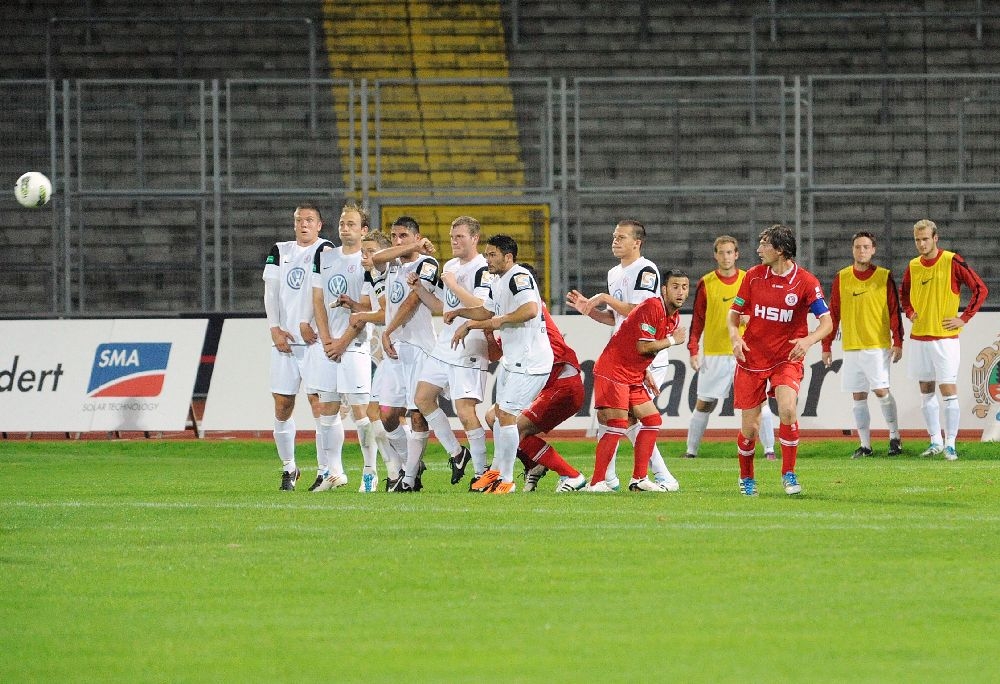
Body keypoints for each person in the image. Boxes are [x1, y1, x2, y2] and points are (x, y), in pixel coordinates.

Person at [565, 219, 679, 491]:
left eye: (622, 237)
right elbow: (615, 318)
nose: (615, 241)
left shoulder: (645, 270)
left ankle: (638, 477)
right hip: (624, 355)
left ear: (637, 242)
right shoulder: (614, 272)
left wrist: (605, 297)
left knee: (629, 418)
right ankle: (620, 478)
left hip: (648, 354)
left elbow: (640, 313)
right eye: (614, 236)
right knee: (621, 418)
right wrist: (589, 309)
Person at [728, 223, 833, 497]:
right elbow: (733, 314)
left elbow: (827, 322)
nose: (759, 249)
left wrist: (808, 340)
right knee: (750, 428)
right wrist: (735, 337)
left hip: (786, 358)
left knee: (787, 409)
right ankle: (747, 476)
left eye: (764, 244)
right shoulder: (753, 276)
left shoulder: (806, 282)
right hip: (752, 358)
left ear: (781, 250)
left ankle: (788, 473)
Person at [449, 235, 553, 494]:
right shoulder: (498, 280)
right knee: (498, 416)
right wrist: (463, 316)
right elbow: (487, 312)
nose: (487, 259)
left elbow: (530, 309)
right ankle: (496, 472)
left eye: (493, 254)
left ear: (508, 257)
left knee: (506, 416)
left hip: (530, 361)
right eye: (486, 254)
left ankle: (506, 480)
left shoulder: (519, 277)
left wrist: (498, 321)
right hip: (513, 360)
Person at [487, 264, 589, 493]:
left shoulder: (532, 315)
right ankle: (533, 466)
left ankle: (572, 476)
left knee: (515, 427)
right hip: (549, 384)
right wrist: (487, 329)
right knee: (494, 418)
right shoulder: (516, 320)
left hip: (562, 383)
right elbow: (495, 353)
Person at [302, 201, 379, 493]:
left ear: (364, 230)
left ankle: (369, 472)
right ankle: (333, 472)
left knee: (360, 412)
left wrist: (342, 342)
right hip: (329, 346)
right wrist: (326, 340)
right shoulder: (326, 257)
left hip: (355, 345)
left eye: (351, 224)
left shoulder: (368, 261)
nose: (345, 229)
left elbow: (366, 307)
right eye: (342, 224)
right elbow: (318, 300)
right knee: (327, 410)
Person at [589, 270, 690, 492]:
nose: (680, 292)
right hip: (613, 370)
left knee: (652, 420)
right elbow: (643, 346)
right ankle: (596, 482)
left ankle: (639, 479)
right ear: (664, 290)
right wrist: (673, 340)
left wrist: (645, 372)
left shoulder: (673, 316)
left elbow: (636, 345)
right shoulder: (653, 307)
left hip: (633, 374)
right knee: (616, 425)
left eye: (684, 287)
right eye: (675, 286)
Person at [409, 217, 492, 486]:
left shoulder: (483, 268)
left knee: (465, 411)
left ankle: (481, 473)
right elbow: (443, 306)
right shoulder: (451, 266)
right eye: (452, 236)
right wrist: (419, 289)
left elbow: (481, 306)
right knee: (422, 398)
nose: (454, 241)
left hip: (470, 343)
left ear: (475, 238)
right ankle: (457, 454)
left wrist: (454, 284)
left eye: (460, 236)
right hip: (446, 344)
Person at [900, 219, 989, 460]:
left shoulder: (952, 261)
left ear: (935, 238)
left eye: (925, 239)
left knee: (948, 390)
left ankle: (951, 443)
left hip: (945, 339)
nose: (921, 244)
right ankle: (935, 442)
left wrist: (964, 318)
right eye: (917, 240)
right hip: (919, 338)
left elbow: (980, 289)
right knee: (926, 391)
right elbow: (904, 295)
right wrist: (909, 312)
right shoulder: (913, 265)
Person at [685, 235, 777, 461]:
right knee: (704, 403)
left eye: (729, 252)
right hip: (715, 353)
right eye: (721, 252)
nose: (725, 257)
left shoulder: (750, 279)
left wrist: (750, 317)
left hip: (745, 352)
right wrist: (693, 349)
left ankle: (769, 451)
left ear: (736, 255)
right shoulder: (706, 283)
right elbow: (698, 319)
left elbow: (763, 312)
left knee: (760, 401)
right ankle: (691, 451)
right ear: (715, 255)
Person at [262, 203, 333, 491]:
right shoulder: (280, 250)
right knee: (283, 405)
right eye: (298, 220)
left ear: (320, 225)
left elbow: (321, 293)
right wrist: (274, 328)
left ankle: (324, 470)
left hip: (314, 342)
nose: (303, 224)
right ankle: (289, 468)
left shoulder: (326, 250)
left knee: (319, 406)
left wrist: (312, 324)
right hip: (286, 341)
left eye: (309, 220)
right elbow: (271, 292)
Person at [820, 231, 905, 458]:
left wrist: (898, 341)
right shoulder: (842, 277)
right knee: (858, 396)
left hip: (877, 346)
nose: (862, 251)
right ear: (852, 250)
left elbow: (894, 311)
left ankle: (895, 437)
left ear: (873, 250)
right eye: (858, 247)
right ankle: (865, 445)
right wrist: (826, 345)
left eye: (866, 247)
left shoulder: (884, 277)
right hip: (852, 348)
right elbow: (833, 314)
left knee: (881, 391)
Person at [370, 217, 440, 492]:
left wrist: (387, 330)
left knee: (416, 414)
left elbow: (413, 302)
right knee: (386, 414)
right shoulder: (391, 263)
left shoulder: (427, 264)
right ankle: (412, 463)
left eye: (403, 235)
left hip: (418, 348)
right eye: (394, 235)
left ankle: (409, 477)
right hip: (394, 351)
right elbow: (376, 258)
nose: (397, 240)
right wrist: (408, 247)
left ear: (417, 235)